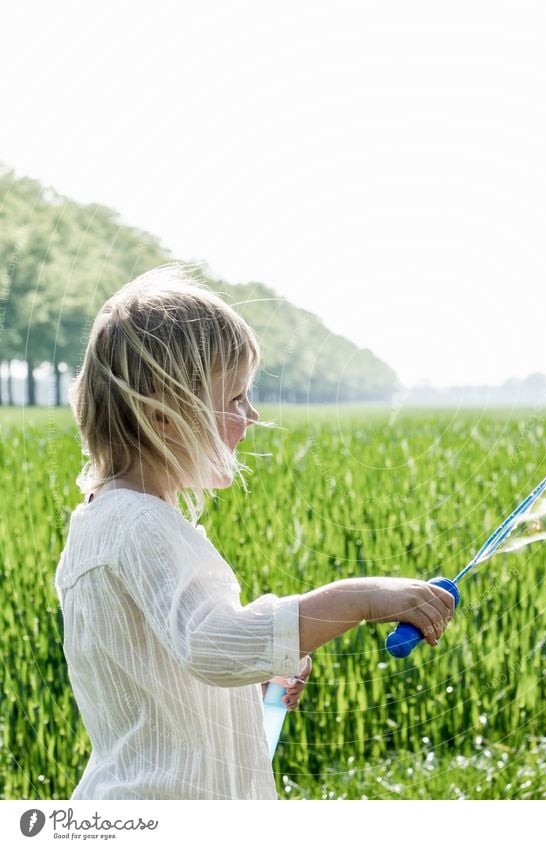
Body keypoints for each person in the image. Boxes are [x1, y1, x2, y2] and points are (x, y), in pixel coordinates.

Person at [54, 264, 454, 800]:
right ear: (164, 414)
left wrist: (255, 675)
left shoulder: (110, 520)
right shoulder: (140, 524)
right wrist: (360, 598)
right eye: (236, 397)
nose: (253, 414)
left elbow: (167, 664)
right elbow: (212, 644)